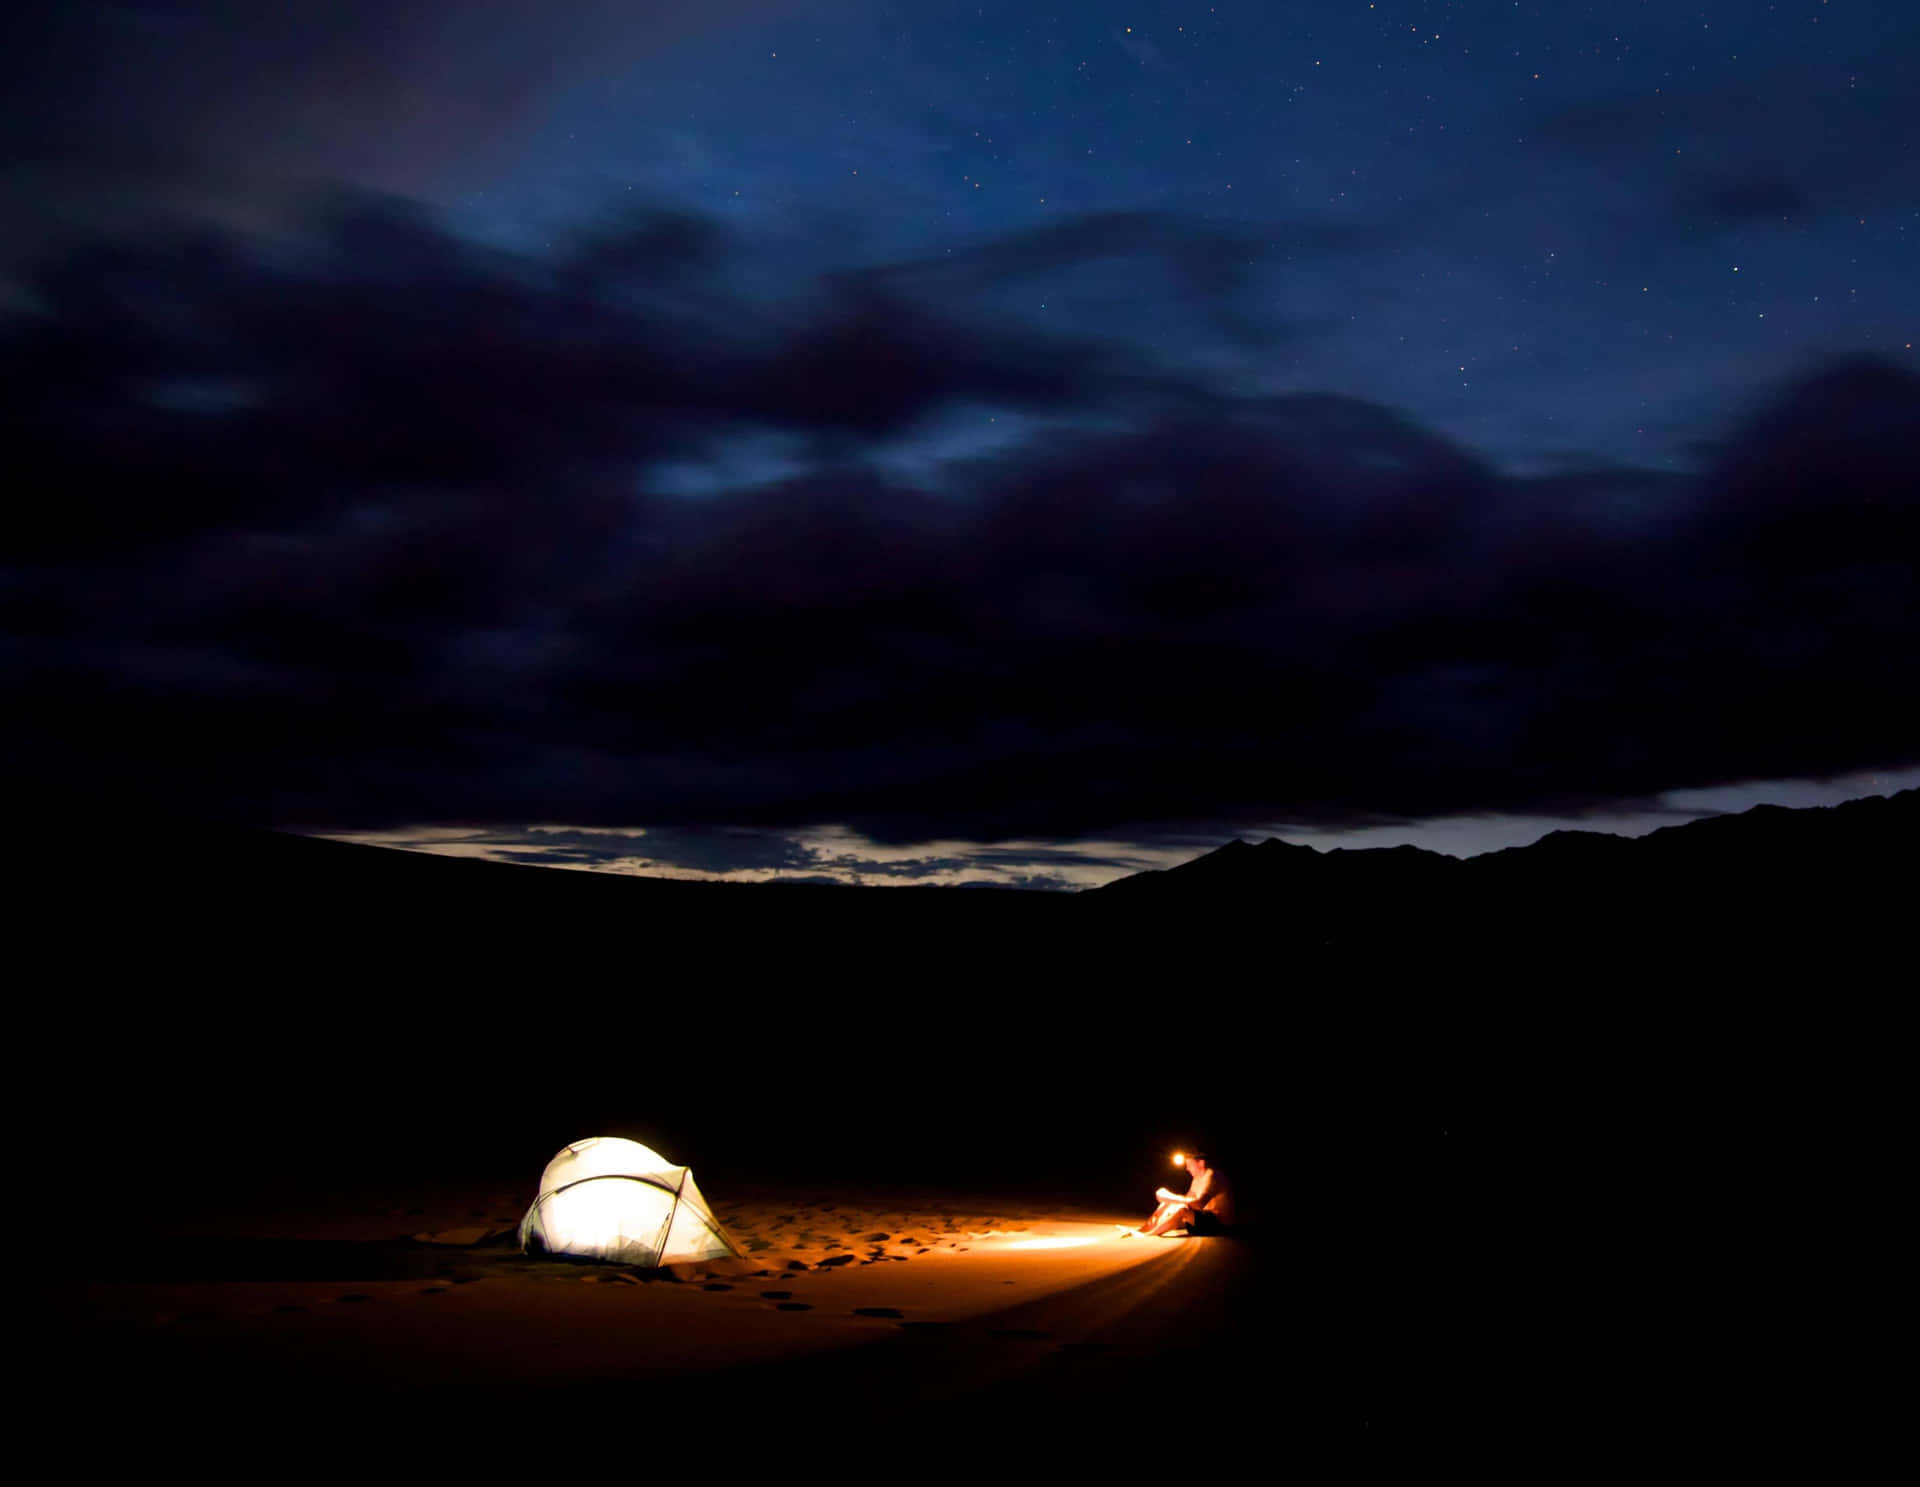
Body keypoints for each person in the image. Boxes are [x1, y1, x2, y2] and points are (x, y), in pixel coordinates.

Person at [1129, 1150, 1231, 1237]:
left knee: (1181, 1210)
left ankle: (1150, 1234)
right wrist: (1167, 1200)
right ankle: (1143, 1229)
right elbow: (1187, 1199)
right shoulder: (1196, 1179)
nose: (1187, 1169)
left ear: (1201, 1163)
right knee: (1169, 1203)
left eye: (1189, 1165)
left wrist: (1170, 1197)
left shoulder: (1212, 1175)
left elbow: (1199, 1204)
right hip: (1201, 1222)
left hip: (1218, 1226)